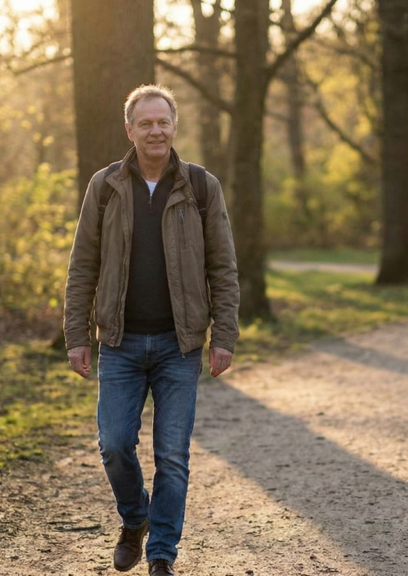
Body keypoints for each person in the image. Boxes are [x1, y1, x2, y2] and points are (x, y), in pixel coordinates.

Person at [63, 84, 239, 576]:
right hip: (117, 343)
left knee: (172, 456)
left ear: (174, 126)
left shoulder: (201, 187)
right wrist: (76, 335)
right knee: (115, 444)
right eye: (146, 123)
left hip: (178, 346)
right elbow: (83, 266)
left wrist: (223, 336)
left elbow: (223, 268)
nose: (155, 130)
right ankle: (135, 517)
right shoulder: (105, 186)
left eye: (163, 122)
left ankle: (162, 554)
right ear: (130, 130)